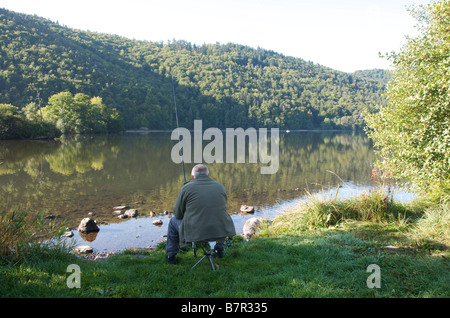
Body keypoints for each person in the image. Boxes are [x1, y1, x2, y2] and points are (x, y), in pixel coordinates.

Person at [165, 164, 236, 265]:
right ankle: (219, 249)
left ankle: (171, 256)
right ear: (208, 174)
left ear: (192, 176)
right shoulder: (220, 186)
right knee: (219, 216)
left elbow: (178, 214)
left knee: (173, 221)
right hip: (221, 232)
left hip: (196, 234)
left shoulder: (186, 188)